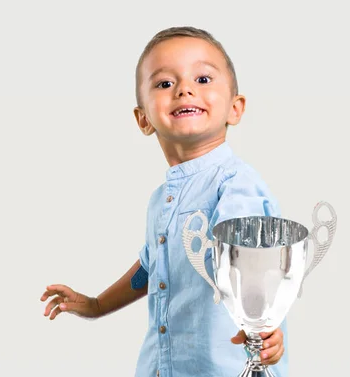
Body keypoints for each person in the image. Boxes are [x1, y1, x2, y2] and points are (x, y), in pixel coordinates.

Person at [40, 26, 289, 377]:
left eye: (203, 78)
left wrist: (267, 331)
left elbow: (254, 267)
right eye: (164, 84)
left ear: (235, 108)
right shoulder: (161, 199)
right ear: (143, 119)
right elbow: (149, 268)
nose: (185, 89)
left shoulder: (237, 186)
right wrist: (97, 305)